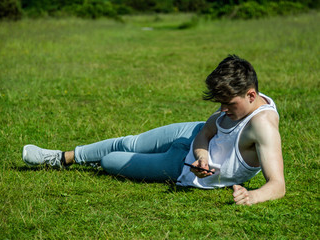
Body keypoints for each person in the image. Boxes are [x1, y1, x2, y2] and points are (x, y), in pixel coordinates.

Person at [22, 55, 285, 205]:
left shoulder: (262, 126)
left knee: (110, 161)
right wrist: (202, 156)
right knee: (129, 142)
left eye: (229, 104)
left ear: (252, 95)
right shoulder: (235, 102)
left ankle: (89, 161)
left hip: (179, 166)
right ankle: (59, 158)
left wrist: (252, 196)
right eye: (220, 103)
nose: (223, 108)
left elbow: (277, 185)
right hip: (188, 135)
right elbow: (206, 132)